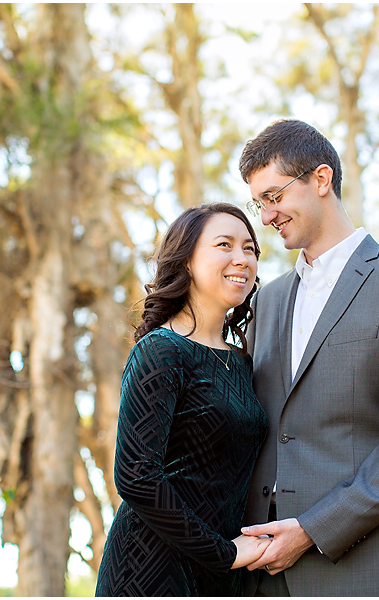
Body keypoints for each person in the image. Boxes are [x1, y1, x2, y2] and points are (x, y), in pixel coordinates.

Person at [237, 119, 379, 596]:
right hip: (266, 577)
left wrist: (315, 529)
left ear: (321, 179)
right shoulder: (266, 301)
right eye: (259, 204)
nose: (267, 215)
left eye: (274, 196)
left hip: (367, 567)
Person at [95, 203, 271, 596]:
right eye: (224, 245)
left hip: (220, 572)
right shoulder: (162, 350)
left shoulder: (242, 362)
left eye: (250, 248)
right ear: (187, 260)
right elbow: (136, 477)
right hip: (151, 568)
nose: (241, 259)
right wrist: (222, 552)